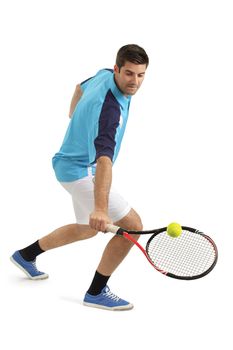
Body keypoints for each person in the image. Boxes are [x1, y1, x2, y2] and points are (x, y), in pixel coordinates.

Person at [10, 44, 149, 311]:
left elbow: (78, 88)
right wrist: (100, 208)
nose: (134, 82)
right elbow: (104, 161)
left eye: (141, 75)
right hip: (80, 170)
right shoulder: (110, 112)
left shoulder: (103, 74)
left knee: (86, 229)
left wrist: (76, 118)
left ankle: (26, 256)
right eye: (129, 74)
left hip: (68, 164)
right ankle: (96, 292)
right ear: (118, 69)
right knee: (132, 226)